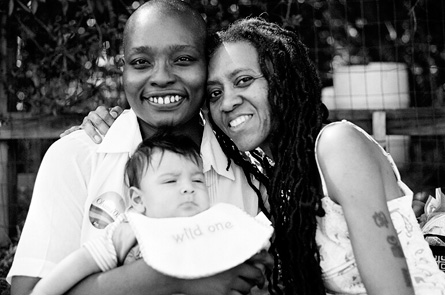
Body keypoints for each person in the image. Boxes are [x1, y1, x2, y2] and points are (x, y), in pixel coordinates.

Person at [82, 17, 445, 295]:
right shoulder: (273, 177)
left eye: (243, 81)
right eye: (214, 92)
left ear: (280, 79)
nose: (228, 102)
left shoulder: (337, 145)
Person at [7, 1, 272, 295]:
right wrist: (177, 276)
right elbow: (29, 291)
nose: (160, 77)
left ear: (206, 67)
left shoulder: (245, 170)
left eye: (183, 59)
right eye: (141, 62)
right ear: (123, 70)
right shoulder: (76, 156)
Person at [30, 133, 273, 295]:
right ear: (138, 199)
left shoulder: (214, 223)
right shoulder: (128, 233)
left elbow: (254, 246)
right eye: (170, 181)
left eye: (198, 180)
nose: (188, 187)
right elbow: (73, 269)